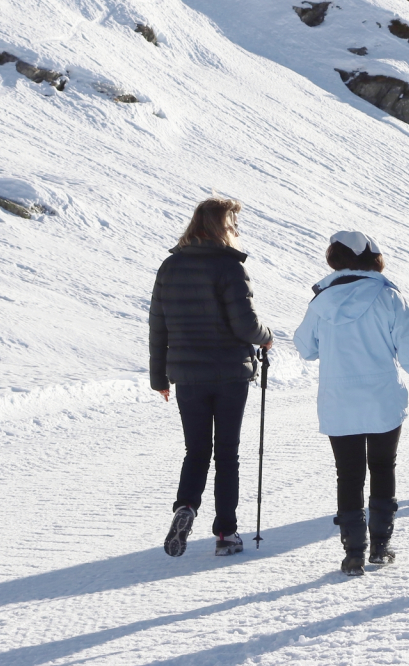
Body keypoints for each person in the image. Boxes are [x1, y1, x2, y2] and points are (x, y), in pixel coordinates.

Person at [295, 231, 409, 577]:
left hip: (338, 402)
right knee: (382, 466)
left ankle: (353, 551)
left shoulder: (321, 301)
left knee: (349, 474)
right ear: (372, 257)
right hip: (381, 399)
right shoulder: (387, 296)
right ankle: (381, 545)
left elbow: (305, 348)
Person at [149, 197, 274, 558]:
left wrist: (159, 376)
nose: (236, 230)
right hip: (229, 372)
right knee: (227, 454)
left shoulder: (170, 267)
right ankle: (226, 535)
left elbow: (158, 325)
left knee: (197, 450)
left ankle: (185, 507)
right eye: (233, 224)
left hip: (187, 375)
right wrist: (266, 335)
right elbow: (245, 324)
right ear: (224, 227)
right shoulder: (229, 267)